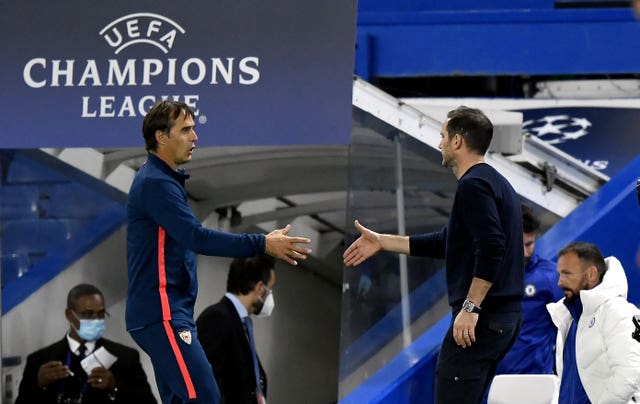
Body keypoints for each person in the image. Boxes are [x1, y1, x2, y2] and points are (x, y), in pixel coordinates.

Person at [126, 99, 311, 404]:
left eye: (194, 129)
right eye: (186, 130)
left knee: (181, 400)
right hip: (163, 313)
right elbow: (197, 238)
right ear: (161, 136)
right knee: (206, 399)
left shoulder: (162, 181)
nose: (195, 137)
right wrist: (262, 243)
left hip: (168, 312)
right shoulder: (155, 184)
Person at [343, 106, 524, 404]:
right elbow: (448, 242)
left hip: (484, 317)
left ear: (457, 142)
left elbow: (492, 247)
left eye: (442, 136)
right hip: (500, 319)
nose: (439, 142)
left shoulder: (473, 185)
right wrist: (382, 241)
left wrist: (470, 307)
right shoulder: (493, 182)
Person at [15, 283, 157, 404]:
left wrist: (114, 389)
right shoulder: (40, 360)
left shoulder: (126, 358)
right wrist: (39, 385)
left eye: (101, 314)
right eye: (88, 315)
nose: (96, 320)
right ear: (69, 315)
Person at [547, 242, 640, 403]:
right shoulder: (568, 317)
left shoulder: (619, 312)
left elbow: (630, 375)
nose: (560, 282)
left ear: (591, 274)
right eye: (560, 274)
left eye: (567, 274)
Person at [196, 255, 276, 404]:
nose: (270, 296)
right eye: (270, 289)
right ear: (259, 288)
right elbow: (206, 384)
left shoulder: (240, 323)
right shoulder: (217, 317)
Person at [494, 206, 564, 375]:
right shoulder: (484, 276)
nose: (525, 252)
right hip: (491, 378)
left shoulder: (551, 277)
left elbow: (569, 327)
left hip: (534, 377)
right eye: (519, 245)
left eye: (529, 244)